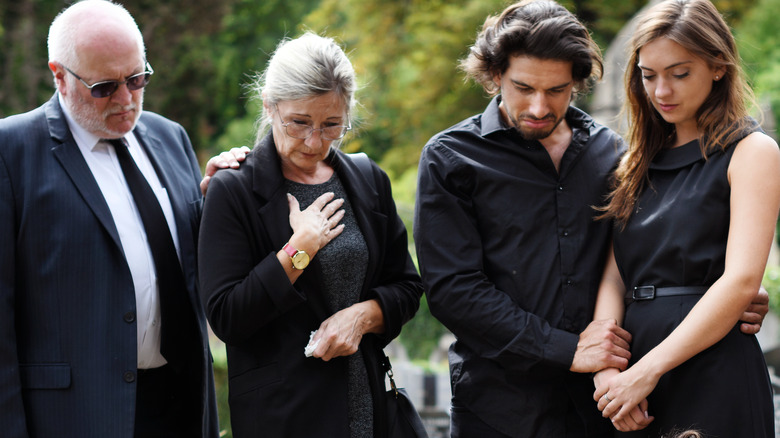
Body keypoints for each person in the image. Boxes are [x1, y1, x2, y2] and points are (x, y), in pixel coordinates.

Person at [413, 1, 769, 437]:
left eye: (557, 90)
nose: (539, 107)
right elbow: (454, 291)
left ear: (578, 83)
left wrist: (726, 289)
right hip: (502, 407)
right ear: (494, 75)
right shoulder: (450, 158)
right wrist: (571, 351)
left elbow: (636, 259)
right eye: (523, 87)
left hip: (604, 410)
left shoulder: (615, 155)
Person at [0, 1, 219, 436]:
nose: (125, 99)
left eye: (137, 79)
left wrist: (227, 198)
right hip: (75, 417)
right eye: (104, 87)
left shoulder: (170, 137)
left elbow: (200, 268)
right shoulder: (11, 152)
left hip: (181, 406)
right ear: (59, 75)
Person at [197, 32, 424, 438]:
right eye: (299, 122)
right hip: (284, 419)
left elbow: (407, 287)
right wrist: (299, 250)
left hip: (369, 411)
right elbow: (227, 317)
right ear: (269, 106)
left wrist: (361, 317)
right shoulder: (232, 190)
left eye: (331, 125)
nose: (314, 141)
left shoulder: (368, 179)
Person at [591, 0, 779, 436]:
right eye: (649, 75)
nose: (662, 91)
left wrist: (647, 372)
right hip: (633, 378)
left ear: (718, 67)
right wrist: (608, 374)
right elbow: (614, 278)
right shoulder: (633, 163)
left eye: (679, 74)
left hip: (713, 368)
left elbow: (741, 281)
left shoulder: (751, 151)